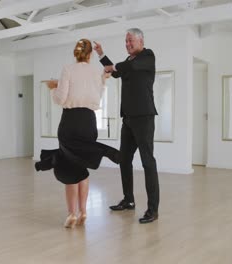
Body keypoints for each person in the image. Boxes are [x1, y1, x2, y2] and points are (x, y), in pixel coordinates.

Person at [35, 39, 120, 228]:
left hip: (70, 122)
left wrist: (53, 88)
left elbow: (60, 98)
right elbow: (98, 97)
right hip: (89, 122)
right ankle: (83, 211)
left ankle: (72, 214)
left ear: (76, 53)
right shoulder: (96, 72)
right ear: (90, 54)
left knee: (69, 166)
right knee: (82, 166)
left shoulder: (68, 69)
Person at [93, 28, 160, 224]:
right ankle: (128, 200)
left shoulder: (147, 56)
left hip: (144, 117)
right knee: (124, 159)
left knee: (148, 162)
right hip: (128, 119)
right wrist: (101, 55)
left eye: (130, 41)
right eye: (126, 41)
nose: (128, 44)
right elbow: (115, 73)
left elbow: (123, 69)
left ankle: (153, 209)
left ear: (141, 40)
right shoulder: (128, 62)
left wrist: (114, 67)